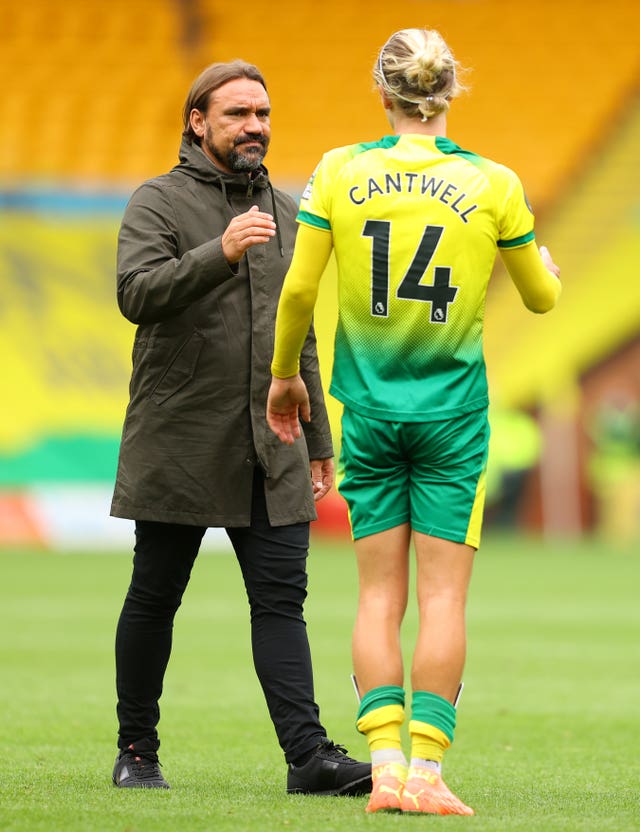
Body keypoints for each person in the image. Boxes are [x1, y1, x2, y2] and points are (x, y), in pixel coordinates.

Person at [266, 28, 561, 815]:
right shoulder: (493, 183)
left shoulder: (339, 170)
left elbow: (296, 296)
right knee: (444, 601)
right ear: (450, 92)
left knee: (374, 599)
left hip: (367, 410)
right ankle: (428, 773)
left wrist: (284, 376)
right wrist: (552, 272)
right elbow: (540, 298)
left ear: (383, 91)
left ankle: (385, 764)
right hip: (453, 418)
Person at [109, 59, 371, 797]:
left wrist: (319, 443)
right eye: (236, 114)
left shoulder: (291, 213)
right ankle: (137, 749)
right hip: (180, 436)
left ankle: (308, 757)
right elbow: (136, 294)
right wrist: (216, 252)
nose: (254, 125)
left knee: (283, 599)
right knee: (156, 595)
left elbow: (303, 335)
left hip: (273, 443)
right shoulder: (156, 201)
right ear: (199, 122)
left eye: (261, 113)